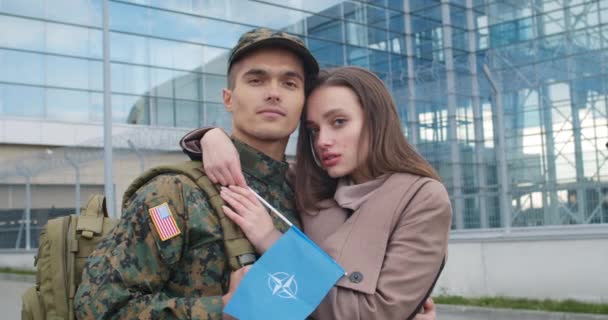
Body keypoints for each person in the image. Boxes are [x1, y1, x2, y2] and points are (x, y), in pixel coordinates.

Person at [74, 28, 319, 319]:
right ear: (228, 98)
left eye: (290, 83)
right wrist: (220, 311)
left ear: (304, 103)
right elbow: (98, 307)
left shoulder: (310, 196)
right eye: (256, 80)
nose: (274, 93)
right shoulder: (173, 193)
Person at [183, 67, 451, 319]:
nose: (322, 141)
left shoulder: (422, 197)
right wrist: (211, 137)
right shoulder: (308, 182)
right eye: (313, 130)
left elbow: (372, 313)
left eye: (338, 122)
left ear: (377, 121)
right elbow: (254, 165)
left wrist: (271, 240)